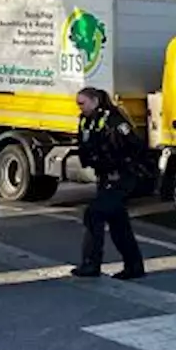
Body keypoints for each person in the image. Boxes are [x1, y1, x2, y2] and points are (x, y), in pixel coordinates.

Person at [71, 87, 147, 280]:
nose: (80, 107)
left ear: (95, 101)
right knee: (118, 222)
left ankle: (91, 264)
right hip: (105, 176)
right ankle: (134, 266)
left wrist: (122, 164)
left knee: (94, 214)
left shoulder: (114, 120)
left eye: (82, 103)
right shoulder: (87, 120)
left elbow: (135, 146)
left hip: (120, 177)